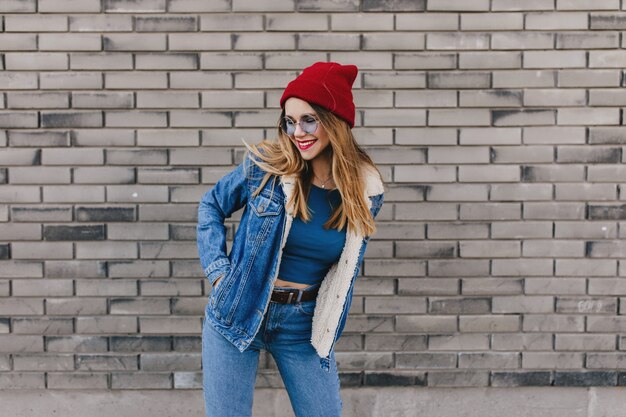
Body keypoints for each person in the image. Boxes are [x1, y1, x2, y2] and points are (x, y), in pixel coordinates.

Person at [196, 61, 384, 417]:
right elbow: (211, 206)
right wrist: (220, 273)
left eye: (309, 119)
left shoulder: (366, 191)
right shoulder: (267, 166)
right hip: (239, 306)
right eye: (290, 120)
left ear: (335, 121)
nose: (298, 131)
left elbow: (342, 271)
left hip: (303, 324)